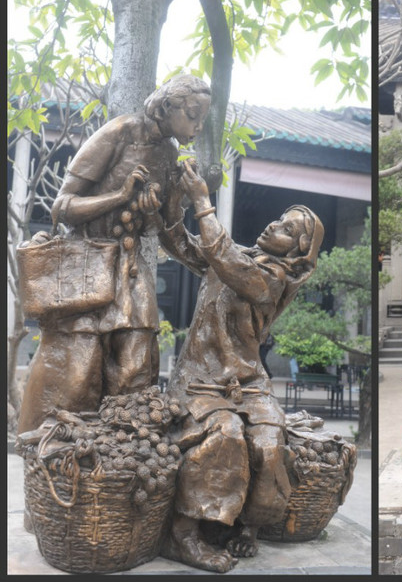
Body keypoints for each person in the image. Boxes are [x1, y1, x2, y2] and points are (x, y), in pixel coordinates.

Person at [17, 75, 211, 434]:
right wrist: (119, 197)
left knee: (136, 373)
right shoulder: (120, 131)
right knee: (78, 378)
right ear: (168, 106)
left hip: (130, 273)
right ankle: (61, 461)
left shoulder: (170, 154)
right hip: (89, 266)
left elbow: (162, 231)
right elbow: (62, 207)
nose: (198, 126)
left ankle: (120, 471)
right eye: (193, 115)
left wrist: (169, 203)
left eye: (202, 119)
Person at [158, 160, 324, 573]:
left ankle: (248, 525)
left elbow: (230, 264)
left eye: (287, 229)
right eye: (278, 220)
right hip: (200, 379)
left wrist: (203, 201)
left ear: (299, 251)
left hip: (248, 381)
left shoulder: (272, 279)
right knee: (226, 433)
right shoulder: (236, 256)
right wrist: (177, 200)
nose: (273, 226)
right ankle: (183, 535)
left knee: (270, 443)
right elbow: (180, 243)